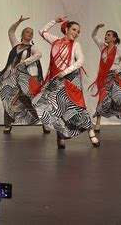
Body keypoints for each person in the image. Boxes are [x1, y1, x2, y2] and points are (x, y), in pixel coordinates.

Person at [33, 15, 100, 149]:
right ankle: (60, 137)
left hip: (70, 80)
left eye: (78, 31)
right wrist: (54, 21)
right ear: (66, 29)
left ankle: (91, 133)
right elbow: (41, 31)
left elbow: (80, 61)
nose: (76, 33)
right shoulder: (56, 41)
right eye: (74, 30)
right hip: (56, 80)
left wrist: (65, 71)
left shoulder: (76, 45)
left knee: (78, 108)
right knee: (56, 109)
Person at [0, 16, 48, 134]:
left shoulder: (32, 47)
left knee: (34, 99)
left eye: (32, 33)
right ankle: (8, 124)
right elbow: (11, 31)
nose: (30, 34)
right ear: (22, 34)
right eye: (27, 32)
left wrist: (24, 62)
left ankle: (45, 123)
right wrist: (19, 22)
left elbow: (38, 55)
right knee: (9, 98)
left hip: (26, 78)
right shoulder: (16, 45)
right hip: (13, 77)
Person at [90, 23, 121, 133]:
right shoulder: (102, 47)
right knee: (103, 98)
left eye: (109, 35)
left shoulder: (119, 50)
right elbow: (94, 36)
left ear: (114, 38)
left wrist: (119, 69)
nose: (106, 36)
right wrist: (97, 27)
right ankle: (97, 123)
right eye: (105, 35)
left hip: (116, 77)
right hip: (105, 77)